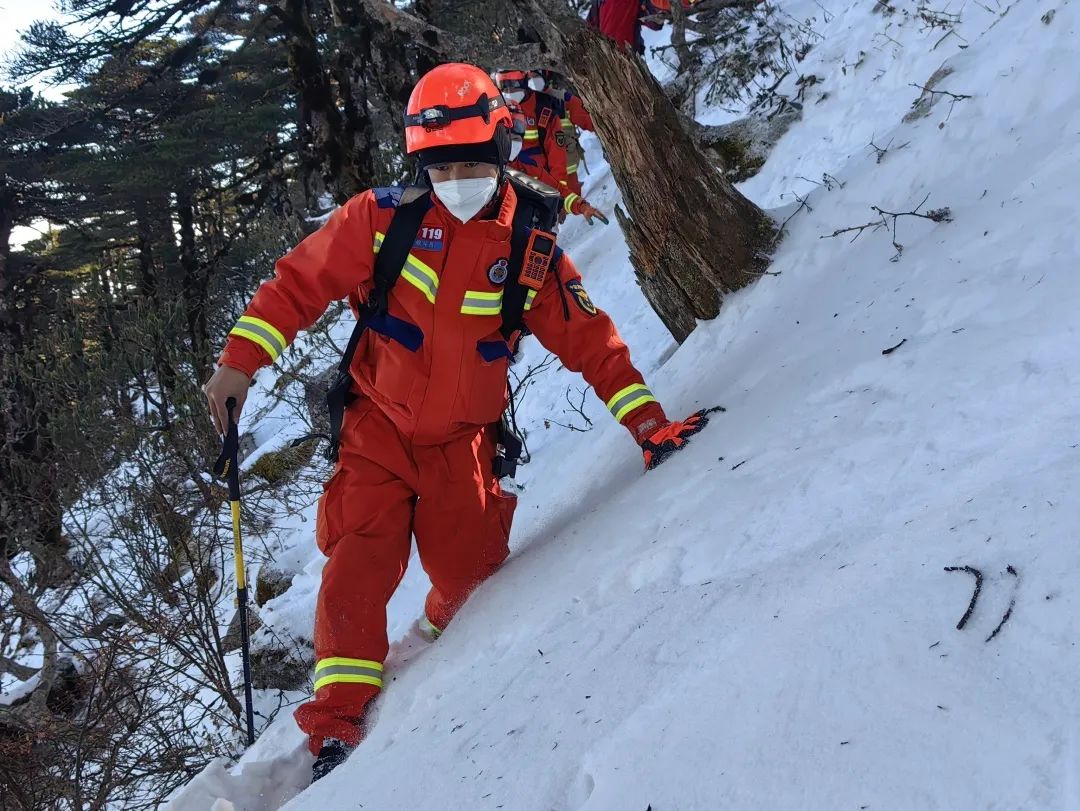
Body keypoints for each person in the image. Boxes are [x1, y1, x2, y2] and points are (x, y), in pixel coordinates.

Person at [202, 62, 712, 782]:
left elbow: (589, 340)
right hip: (376, 431)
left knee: (470, 574)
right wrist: (237, 363)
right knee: (358, 563)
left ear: (502, 154)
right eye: (442, 165)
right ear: (420, 163)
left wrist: (647, 423)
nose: (458, 177)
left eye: (473, 162)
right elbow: (295, 285)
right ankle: (336, 722)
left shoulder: (528, 244)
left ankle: (440, 634)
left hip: (462, 446)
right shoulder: (381, 220)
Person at [505, 98, 607, 225]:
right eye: (507, 134)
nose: (514, 142)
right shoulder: (481, 168)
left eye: (517, 137)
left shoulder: (526, 169)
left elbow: (557, 191)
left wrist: (582, 207)